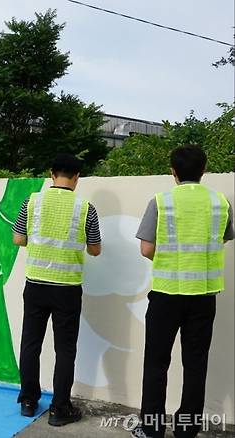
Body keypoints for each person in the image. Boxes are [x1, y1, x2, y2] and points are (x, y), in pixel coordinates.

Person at [130, 145, 233, 438]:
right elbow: (220, 240)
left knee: (156, 362)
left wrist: (170, 259)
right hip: (203, 295)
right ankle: (187, 429)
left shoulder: (161, 202)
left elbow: (147, 248)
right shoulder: (220, 203)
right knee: (196, 363)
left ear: (173, 172)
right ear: (204, 170)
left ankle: (151, 429)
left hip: (165, 295)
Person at [12, 153, 102, 426]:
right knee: (65, 349)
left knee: (30, 343)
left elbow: (18, 239)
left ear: (51, 174)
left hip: (36, 284)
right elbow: (95, 250)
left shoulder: (32, 201)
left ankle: (28, 400)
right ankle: (59, 408)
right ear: (77, 177)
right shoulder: (86, 207)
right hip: (67, 289)